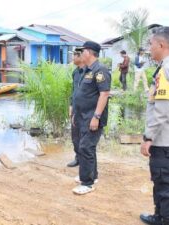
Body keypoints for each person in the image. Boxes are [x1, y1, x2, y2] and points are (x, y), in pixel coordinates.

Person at [140, 26, 169, 225]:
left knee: (165, 184)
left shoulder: (167, 70)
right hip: (168, 137)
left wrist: (148, 137)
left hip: (163, 139)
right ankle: (159, 216)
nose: (149, 48)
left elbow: (161, 110)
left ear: (161, 44)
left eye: (151, 44)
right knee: (160, 181)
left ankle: (167, 220)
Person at [72, 41, 111, 195]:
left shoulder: (100, 70)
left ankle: (87, 183)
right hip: (82, 115)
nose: (81, 54)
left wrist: (96, 116)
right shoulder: (86, 70)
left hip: (92, 116)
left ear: (89, 52)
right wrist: (75, 112)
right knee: (87, 147)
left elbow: (104, 94)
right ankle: (92, 176)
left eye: (83, 51)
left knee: (86, 147)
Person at [67, 49, 87, 167]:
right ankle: (78, 158)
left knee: (85, 137)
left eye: (74, 56)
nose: (72, 59)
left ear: (80, 57)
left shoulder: (89, 72)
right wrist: (71, 105)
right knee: (75, 136)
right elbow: (73, 91)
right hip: (75, 108)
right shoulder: (75, 72)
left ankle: (85, 160)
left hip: (86, 109)